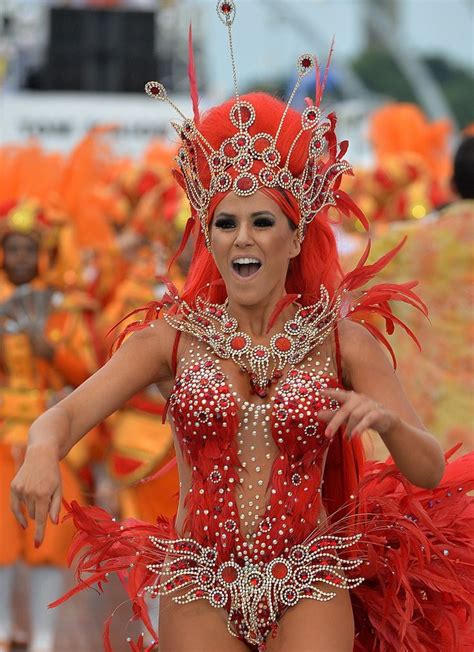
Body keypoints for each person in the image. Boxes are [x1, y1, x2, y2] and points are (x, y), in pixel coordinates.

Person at [9, 2, 474, 651]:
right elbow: (63, 417)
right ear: (208, 237)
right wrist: (38, 454)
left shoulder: (342, 342)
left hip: (308, 579)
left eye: (262, 222)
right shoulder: (171, 339)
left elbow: (425, 468)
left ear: (294, 237)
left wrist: (387, 422)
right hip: (200, 582)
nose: (242, 239)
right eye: (225, 224)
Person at [0, 199, 99, 652]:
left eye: (27, 250)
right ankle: (5, 631)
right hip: (3, 437)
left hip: (51, 439)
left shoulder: (63, 309)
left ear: (44, 254)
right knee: (1, 541)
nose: (19, 258)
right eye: (11, 249)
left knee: (46, 541)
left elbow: (91, 375)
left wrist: (51, 353)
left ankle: (41, 637)